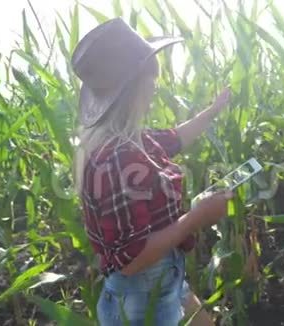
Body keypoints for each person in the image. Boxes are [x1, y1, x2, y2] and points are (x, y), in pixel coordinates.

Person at [72, 18, 232, 326]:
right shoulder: (118, 159)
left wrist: (213, 110)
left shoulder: (134, 141)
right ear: (135, 88)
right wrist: (198, 217)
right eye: (152, 78)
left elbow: (177, 136)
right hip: (140, 299)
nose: (156, 87)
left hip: (164, 283)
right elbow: (131, 261)